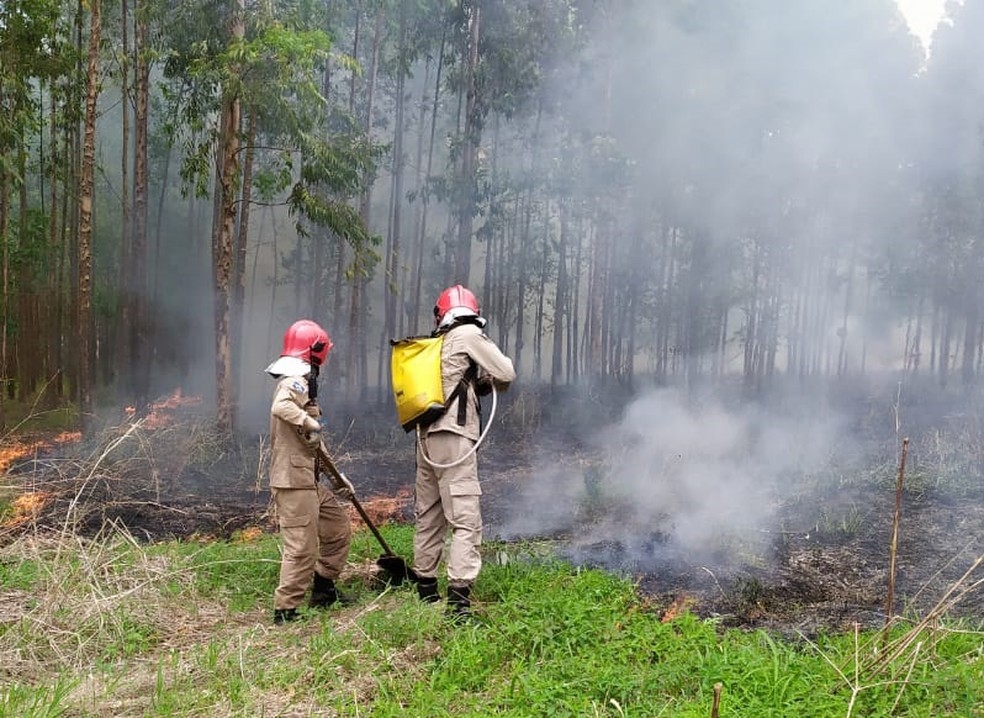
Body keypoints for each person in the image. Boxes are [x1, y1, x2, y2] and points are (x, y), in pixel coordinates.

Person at [412, 285, 516, 618]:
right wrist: (493, 379)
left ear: (441, 313)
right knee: (465, 518)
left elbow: (453, 382)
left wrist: (478, 383)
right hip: (454, 438)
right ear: (471, 312)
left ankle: (425, 587)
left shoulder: (437, 342)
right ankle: (458, 601)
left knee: (429, 513)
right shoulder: (468, 333)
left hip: (426, 438)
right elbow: (506, 372)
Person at [265, 319, 353, 625]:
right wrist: (309, 421)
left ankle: (324, 589)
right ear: (315, 349)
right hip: (293, 483)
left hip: (308, 481)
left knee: (338, 528)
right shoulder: (294, 380)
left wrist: (339, 480)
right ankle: (285, 611)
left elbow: (314, 444)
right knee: (301, 547)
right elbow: (281, 406)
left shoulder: (303, 380)